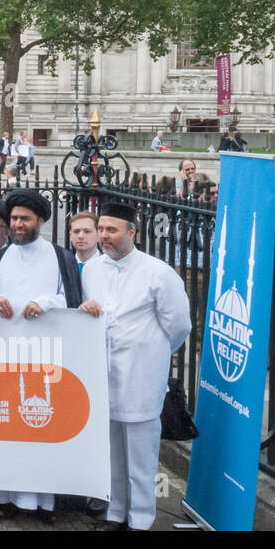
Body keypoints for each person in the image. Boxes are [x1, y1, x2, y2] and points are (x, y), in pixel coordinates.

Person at [79, 203, 190, 531]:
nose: (104, 237)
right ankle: (115, 514)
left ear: (132, 232)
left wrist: (152, 352)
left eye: (112, 230)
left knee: (141, 458)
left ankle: (140, 520)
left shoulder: (158, 272)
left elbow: (179, 325)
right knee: (111, 452)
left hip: (141, 376)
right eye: (101, 230)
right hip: (104, 373)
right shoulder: (93, 269)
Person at [0, 189, 82, 523]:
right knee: (6, 427)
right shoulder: (0, 256)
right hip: (4, 356)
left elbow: (72, 301)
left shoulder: (60, 257)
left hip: (45, 357)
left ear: (40, 221)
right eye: (15, 219)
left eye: (25, 219)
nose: (18, 225)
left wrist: (46, 303)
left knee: (40, 426)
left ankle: (41, 503)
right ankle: (3, 497)